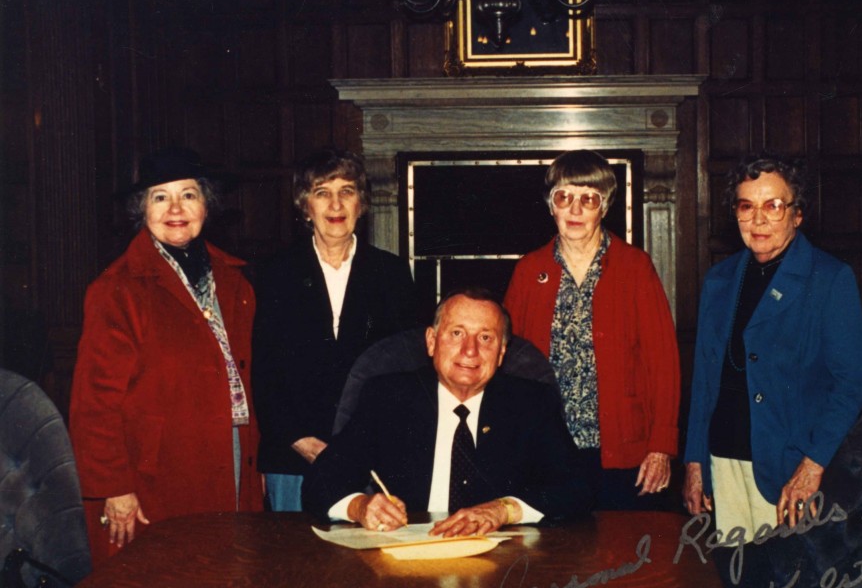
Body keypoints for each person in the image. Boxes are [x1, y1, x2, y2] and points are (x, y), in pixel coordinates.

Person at [69, 147, 263, 564]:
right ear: (143, 209)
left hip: (229, 452)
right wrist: (114, 488)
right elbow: (94, 404)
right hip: (155, 471)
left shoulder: (235, 282)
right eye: (161, 197)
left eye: (188, 195)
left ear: (206, 205)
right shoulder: (117, 289)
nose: (176, 208)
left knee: (230, 576)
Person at [683, 153, 862, 536]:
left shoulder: (830, 278)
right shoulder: (719, 280)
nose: (759, 219)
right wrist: (694, 462)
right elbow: (704, 380)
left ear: (796, 214)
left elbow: (852, 385)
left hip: (789, 468)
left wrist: (812, 465)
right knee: (735, 583)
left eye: (774, 206)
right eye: (746, 206)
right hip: (724, 461)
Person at [302, 288, 591, 537]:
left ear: (502, 353)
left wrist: (504, 510)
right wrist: (360, 507)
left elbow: (577, 486)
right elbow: (321, 479)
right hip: (407, 562)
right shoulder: (388, 397)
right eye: (457, 334)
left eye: (486, 338)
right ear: (431, 341)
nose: (470, 351)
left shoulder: (530, 403)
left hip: (504, 571)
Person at [503, 150, 681, 510]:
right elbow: (507, 362)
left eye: (589, 199)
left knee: (622, 554)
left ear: (605, 206)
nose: (575, 209)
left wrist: (660, 447)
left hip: (622, 450)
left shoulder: (635, 267)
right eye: (564, 197)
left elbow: (663, 363)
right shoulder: (529, 270)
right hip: (548, 447)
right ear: (550, 205)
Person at [252, 148, 416, 512]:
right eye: (322, 192)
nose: (336, 204)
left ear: (362, 203)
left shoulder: (392, 275)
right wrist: (301, 441)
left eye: (347, 191)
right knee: (297, 561)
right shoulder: (275, 275)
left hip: (371, 459)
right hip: (293, 457)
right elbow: (262, 372)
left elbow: (406, 371)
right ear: (304, 205)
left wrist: (364, 446)